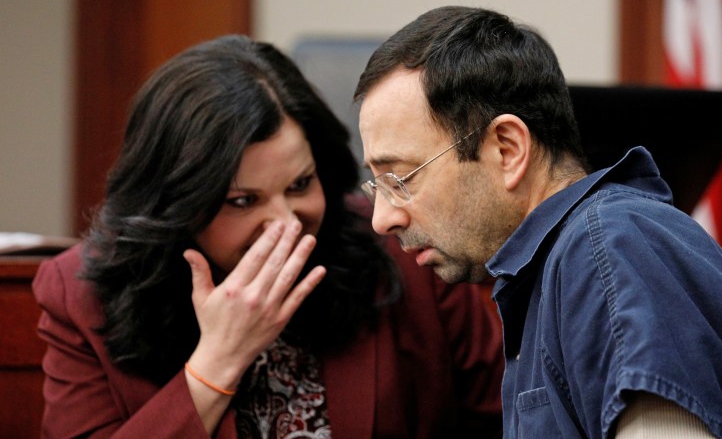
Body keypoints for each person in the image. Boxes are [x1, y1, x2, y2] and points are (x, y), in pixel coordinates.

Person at [32, 35, 504, 438]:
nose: (286, 223)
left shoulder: (400, 248)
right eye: (242, 201)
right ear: (176, 207)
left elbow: (505, 421)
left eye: (300, 185)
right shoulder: (79, 294)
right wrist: (217, 362)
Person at [354, 5, 722, 438]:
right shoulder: (553, 270)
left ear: (507, 150)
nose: (382, 219)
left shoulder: (609, 248)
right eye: (375, 186)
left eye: (400, 178)